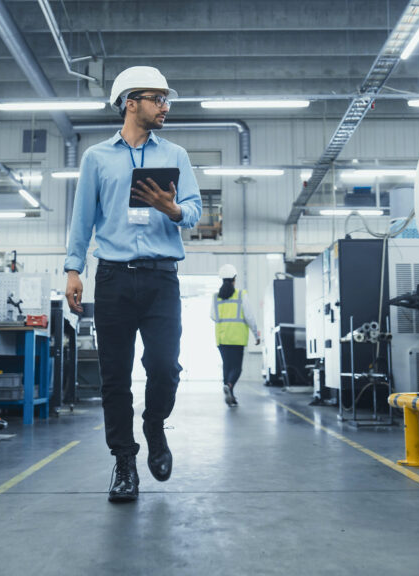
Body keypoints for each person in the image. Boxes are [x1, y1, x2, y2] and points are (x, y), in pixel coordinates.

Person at [64, 66, 202, 502]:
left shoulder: (176, 155)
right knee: (114, 378)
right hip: (113, 281)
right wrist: (73, 270)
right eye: (157, 98)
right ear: (130, 102)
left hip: (162, 278)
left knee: (165, 368)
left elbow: (196, 210)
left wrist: (173, 208)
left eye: (167, 99)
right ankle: (124, 461)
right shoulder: (97, 159)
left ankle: (154, 425)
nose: (165, 106)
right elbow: (82, 219)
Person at [211, 265, 260, 407]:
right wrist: (256, 334)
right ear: (234, 279)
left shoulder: (216, 297)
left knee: (227, 366)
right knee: (237, 367)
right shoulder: (240, 294)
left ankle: (230, 394)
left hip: (222, 338)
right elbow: (249, 316)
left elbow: (212, 316)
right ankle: (230, 386)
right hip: (237, 337)